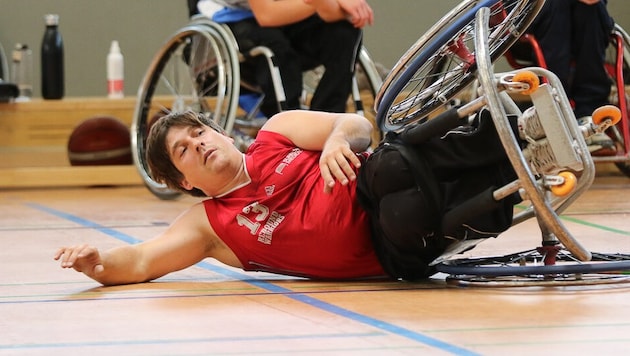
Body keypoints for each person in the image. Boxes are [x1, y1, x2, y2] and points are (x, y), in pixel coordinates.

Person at [55, 108, 523, 284]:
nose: (200, 143)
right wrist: (95, 263)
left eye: (200, 132)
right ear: (184, 182)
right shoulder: (209, 226)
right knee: (406, 211)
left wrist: (339, 140)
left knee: (391, 165)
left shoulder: (274, 133)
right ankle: (524, 181)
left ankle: (517, 129)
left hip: (378, 177)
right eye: (185, 149)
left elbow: (356, 124)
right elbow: (140, 261)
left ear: (219, 132)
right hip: (391, 250)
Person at [187, 0, 374, 117]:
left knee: (344, 32)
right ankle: (290, 125)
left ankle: (327, 118)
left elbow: (330, 13)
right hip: (235, 17)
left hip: (284, 10)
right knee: (274, 45)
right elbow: (267, 16)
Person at [523, 0, 616, 154]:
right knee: (556, 5)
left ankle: (589, 114)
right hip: (533, 16)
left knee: (591, 7)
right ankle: (556, 118)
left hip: (584, 15)